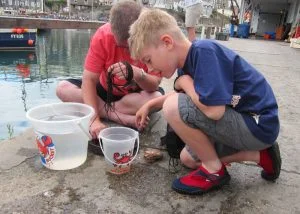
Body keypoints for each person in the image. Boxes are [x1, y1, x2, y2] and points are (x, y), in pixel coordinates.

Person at [129, 9, 281, 195]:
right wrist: (150, 104)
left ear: (167, 42)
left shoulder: (204, 52)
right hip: (244, 124)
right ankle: (261, 155)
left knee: (172, 107)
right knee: (188, 159)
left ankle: (213, 171)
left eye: (149, 60)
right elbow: (188, 97)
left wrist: (185, 83)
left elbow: (214, 111)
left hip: (257, 124)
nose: (150, 68)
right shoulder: (185, 67)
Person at [56, 0, 163, 139]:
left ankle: (105, 109)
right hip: (105, 90)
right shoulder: (103, 35)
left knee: (157, 99)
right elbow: (89, 80)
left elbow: (154, 84)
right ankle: (118, 116)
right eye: (118, 43)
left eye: (128, 46)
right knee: (62, 88)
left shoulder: (153, 38)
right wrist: (94, 120)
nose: (124, 50)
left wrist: (137, 74)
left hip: (135, 95)